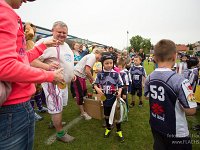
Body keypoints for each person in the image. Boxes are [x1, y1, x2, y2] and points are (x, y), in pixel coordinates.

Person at [0, 0, 64, 149]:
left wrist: (42, 47)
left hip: (15, 107)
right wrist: (50, 75)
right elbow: (5, 66)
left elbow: (20, 59)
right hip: (12, 108)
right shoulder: (4, 12)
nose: (26, 1)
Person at [144, 39, 197, 150]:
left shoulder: (149, 77)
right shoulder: (181, 81)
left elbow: (146, 96)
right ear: (175, 56)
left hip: (156, 124)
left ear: (154, 58)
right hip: (176, 132)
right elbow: (191, 110)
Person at [31, 21, 75, 143]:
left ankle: (54, 121)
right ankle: (60, 134)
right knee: (56, 107)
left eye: (64, 33)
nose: (62, 35)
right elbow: (31, 61)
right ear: (52, 31)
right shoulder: (44, 42)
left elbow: (67, 62)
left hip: (63, 83)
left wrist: (72, 74)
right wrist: (48, 66)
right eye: (59, 32)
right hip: (52, 82)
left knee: (60, 106)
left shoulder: (65, 46)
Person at [93, 53, 124, 142]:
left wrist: (119, 92)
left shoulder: (116, 74)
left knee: (117, 115)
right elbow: (95, 84)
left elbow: (121, 85)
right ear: (103, 63)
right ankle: (108, 128)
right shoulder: (100, 74)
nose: (109, 65)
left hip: (115, 98)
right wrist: (97, 89)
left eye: (111, 63)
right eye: (107, 63)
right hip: (105, 98)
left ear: (113, 63)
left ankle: (119, 131)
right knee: (106, 114)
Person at [24, 22, 48, 121]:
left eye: (35, 30)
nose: (33, 32)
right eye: (33, 30)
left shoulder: (32, 42)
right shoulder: (23, 39)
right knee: (31, 91)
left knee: (38, 89)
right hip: (28, 69)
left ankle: (40, 107)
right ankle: (32, 112)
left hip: (36, 68)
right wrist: (28, 26)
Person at [73, 47, 103, 120]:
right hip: (77, 76)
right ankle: (83, 113)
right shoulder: (92, 57)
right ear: (98, 53)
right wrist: (93, 80)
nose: (101, 58)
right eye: (101, 56)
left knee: (84, 93)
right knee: (80, 94)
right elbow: (87, 71)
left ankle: (85, 109)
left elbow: (86, 71)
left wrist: (90, 79)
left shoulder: (91, 56)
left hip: (81, 76)